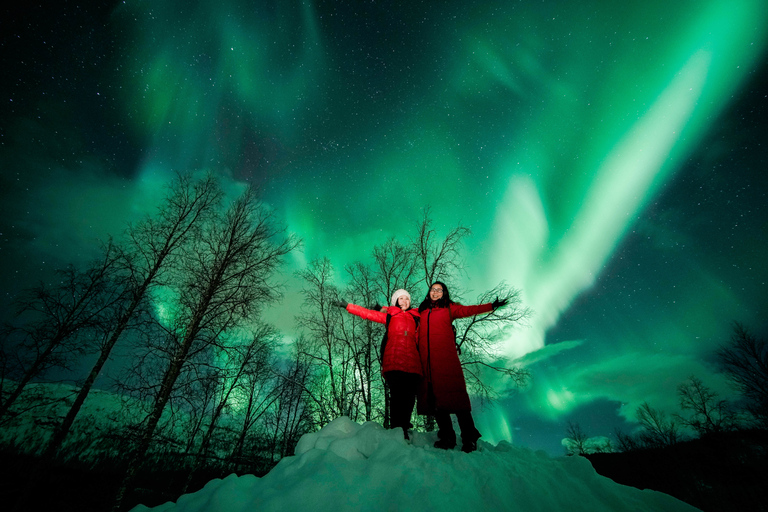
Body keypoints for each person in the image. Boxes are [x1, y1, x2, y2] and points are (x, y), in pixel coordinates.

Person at [416, 281, 507, 453]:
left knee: (457, 401)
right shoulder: (421, 311)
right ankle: (447, 437)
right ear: (429, 293)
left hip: (447, 361)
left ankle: (469, 439)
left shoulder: (450, 308)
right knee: (436, 401)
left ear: (444, 293)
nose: (435, 292)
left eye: (439, 290)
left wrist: (491, 306)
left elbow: (469, 310)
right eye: (433, 289)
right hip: (428, 364)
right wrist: (383, 310)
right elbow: (401, 314)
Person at [333, 289, 421, 439]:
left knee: (410, 397)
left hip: (413, 364)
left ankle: (405, 426)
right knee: (397, 396)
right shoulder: (390, 316)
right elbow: (367, 313)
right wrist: (348, 306)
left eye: (407, 298)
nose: (405, 301)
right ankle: (397, 430)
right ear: (396, 302)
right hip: (394, 361)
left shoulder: (416, 318)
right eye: (401, 298)